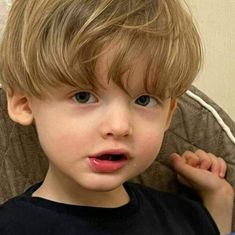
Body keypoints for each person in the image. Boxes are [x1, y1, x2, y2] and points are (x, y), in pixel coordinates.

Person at [0, 0, 233, 234]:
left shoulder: (184, 218)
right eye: (83, 97)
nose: (119, 126)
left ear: (168, 115)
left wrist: (219, 198)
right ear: (24, 104)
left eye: (144, 100)